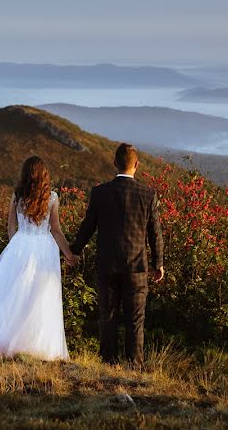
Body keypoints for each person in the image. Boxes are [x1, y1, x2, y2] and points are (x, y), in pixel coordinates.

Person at [0, 156, 77, 361]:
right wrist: (69, 253)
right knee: (38, 296)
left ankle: (3, 341)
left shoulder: (17, 196)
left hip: (20, 246)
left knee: (12, 294)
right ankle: (33, 343)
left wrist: (15, 246)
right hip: (43, 248)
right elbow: (57, 231)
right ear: (44, 176)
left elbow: (10, 227)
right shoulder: (52, 198)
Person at [70, 143, 164, 367]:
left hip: (107, 265)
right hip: (137, 267)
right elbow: (156, 233)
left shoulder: (100, 192)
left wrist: (73, 251)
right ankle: (134, 365)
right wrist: (158, 263)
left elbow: (88, 227)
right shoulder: (148, 194)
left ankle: (108, 364)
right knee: (135, 320)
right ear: (137, 165)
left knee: (107, 316)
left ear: (114, 163)